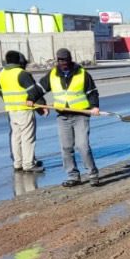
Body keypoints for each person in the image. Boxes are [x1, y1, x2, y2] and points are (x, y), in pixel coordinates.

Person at [40, 48, 101, 187]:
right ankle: (73, 176)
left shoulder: (82, 73)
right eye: (60, 60)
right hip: (63, 116)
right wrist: (38, 103)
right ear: (57, 61)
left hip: (81, 115)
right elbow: (39, 89)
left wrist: (95, 106)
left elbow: (92, 92)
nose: (63, 63)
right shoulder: (52, 74)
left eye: (65, 60)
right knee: (66, 147)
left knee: (83, 146)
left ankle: (93, 174)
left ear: (70, 59)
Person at [0, 50, 46, 173]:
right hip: (25, 110)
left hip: (11, 110)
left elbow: (1, 93)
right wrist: (41, 106)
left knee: (16, 137)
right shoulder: (22, 74)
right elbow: (34, 91)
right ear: (19, 60)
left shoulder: (1, 74)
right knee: (27, 137)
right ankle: (29, 164)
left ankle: (18, 163)